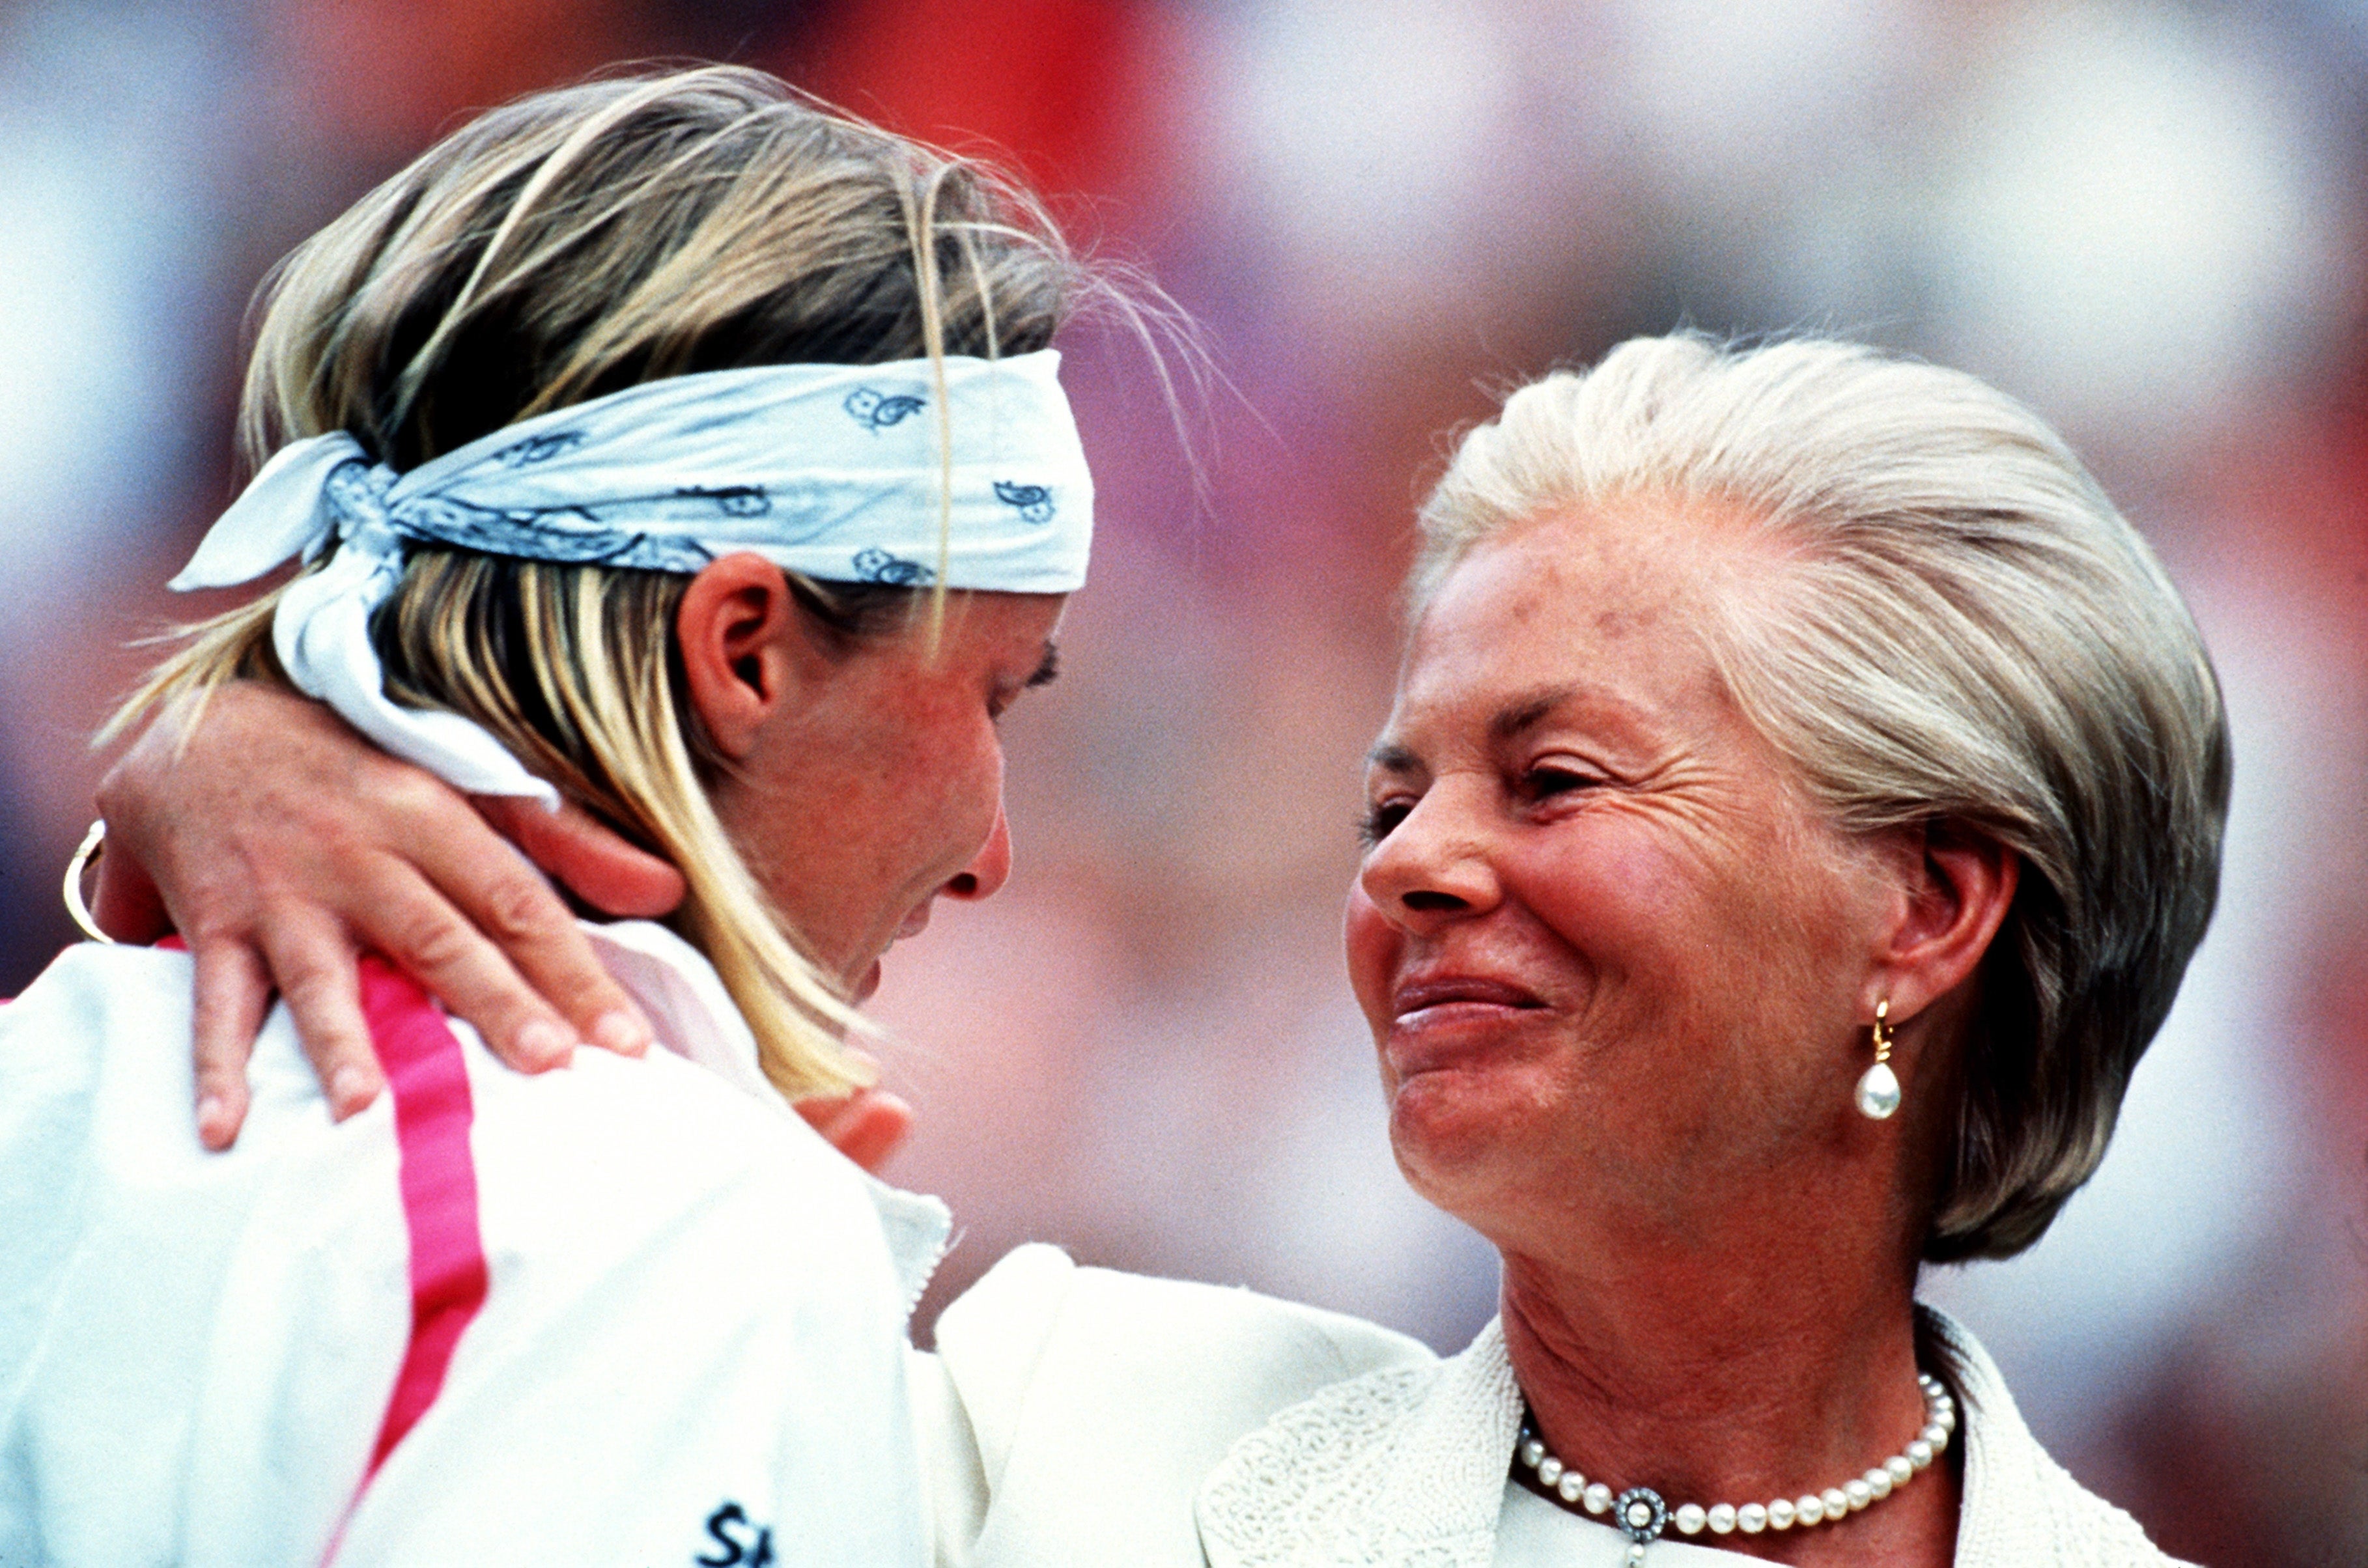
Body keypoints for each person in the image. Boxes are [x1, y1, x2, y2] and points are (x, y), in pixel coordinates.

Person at [94, 332, 2222, 1563]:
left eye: (1551, 777)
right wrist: (241, 740)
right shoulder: (1065, 1418)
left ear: (1925, 906)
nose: (1410, 867)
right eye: (1393, 796)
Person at [0, 63, 1123, 1565]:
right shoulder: (664, 1221)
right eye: (994, 693)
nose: (991, 854)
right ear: (745, 651)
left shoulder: (51, 1066)